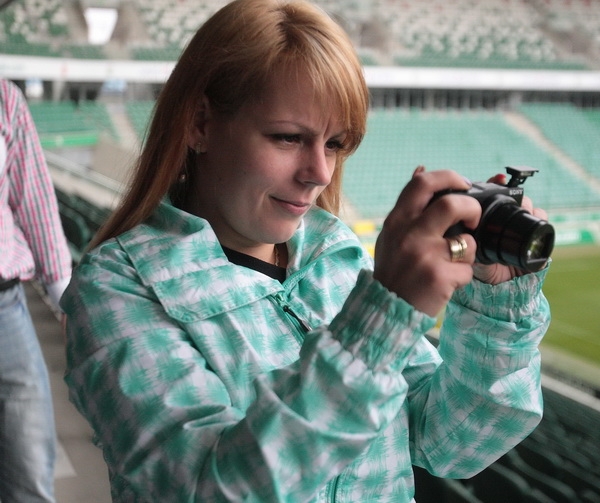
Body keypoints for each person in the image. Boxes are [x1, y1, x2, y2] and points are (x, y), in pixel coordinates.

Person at [61, 0, 551, 501]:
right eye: (288, 137)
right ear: (201, 123)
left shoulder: (335, 253)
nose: (319, 173)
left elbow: (447, 441)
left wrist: (498, 306)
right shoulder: (115, 289)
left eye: (335, 144)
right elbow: (204, 489)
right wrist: (382, 317)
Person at [0, 79, 72, 502]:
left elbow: (34, 200)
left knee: (28, 465)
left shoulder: (5, 98)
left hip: (5, 308)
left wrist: (65, 299)